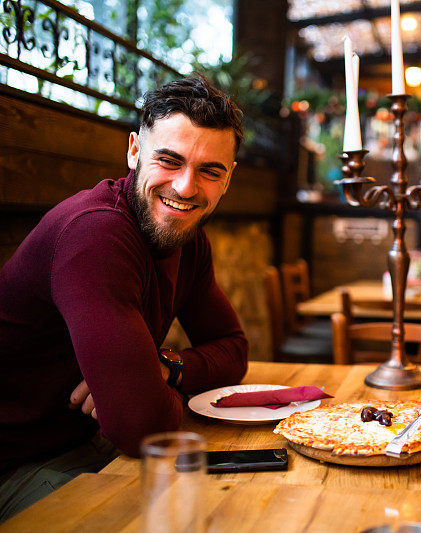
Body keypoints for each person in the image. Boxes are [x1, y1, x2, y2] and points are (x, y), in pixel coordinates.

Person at [0, 75, 249, 520]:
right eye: (168, 160)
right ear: (134, 150)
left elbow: (233, 351)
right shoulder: (96, 234)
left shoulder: (188, 237)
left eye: (210, 170)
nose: (186, 187)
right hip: (17, 463)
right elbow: (142, 427)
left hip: (87, 443)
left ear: (228, 178)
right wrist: (140, 396)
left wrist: (164, 371)